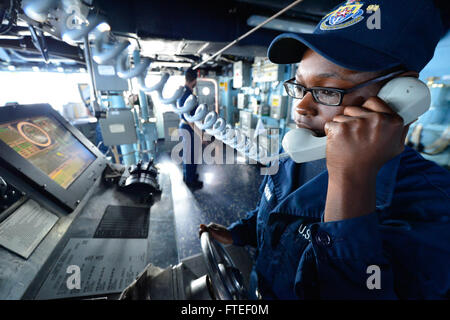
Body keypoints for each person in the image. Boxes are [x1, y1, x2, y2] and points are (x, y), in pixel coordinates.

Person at [200, 0, 450, 299]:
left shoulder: (432, 204)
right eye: (300, 86)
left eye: (327, 91)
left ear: (401, 96)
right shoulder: (296, 154)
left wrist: (352, 181)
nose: (302, 107)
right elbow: (274, 214)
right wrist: (238, 233)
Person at [178, 68, 203, 189]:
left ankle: (189, 175)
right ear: (194, 80)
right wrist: (200, 134)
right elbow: (189, 117)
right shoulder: (187, 95)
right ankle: (190, 181)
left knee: (190, 153)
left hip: (186, 126)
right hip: (189, 127)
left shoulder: (184, 92)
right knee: (190, 154)